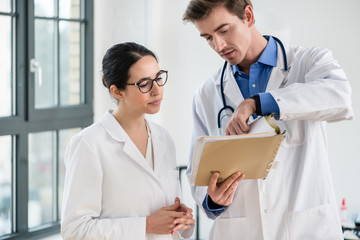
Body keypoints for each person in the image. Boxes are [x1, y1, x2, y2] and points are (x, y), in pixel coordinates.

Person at [182, 0, 353, 239]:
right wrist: (213, 200)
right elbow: (197, 175)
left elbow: (339, 97)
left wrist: (258, 102)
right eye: (208, 37)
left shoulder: (307, 63)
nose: (218, 45)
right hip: (241, 230)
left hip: (305, 228)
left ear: (248, 16)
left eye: (223, 30)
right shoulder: (207, 94)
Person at [61, 42, 195, 239]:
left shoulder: (164, 138)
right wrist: (146, 225)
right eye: (144, 84)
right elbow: (75, 230)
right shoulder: (88, 144)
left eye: (158, 78)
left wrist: (180, 220)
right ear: (117, 91)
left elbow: (167, 215)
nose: (157, 90)